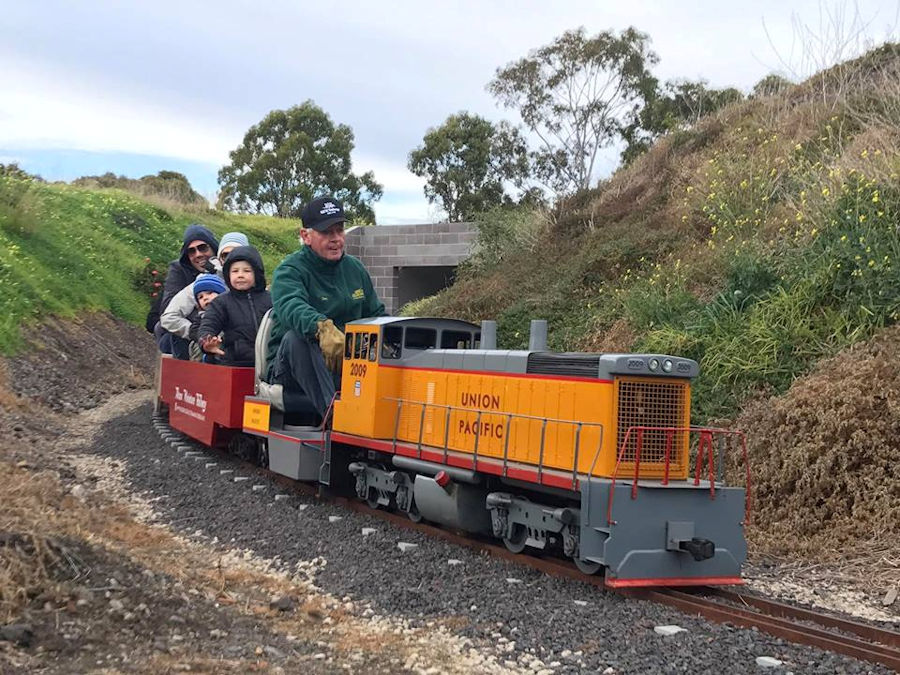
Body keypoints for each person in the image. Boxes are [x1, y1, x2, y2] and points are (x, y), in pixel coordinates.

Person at [266, 196, 385, 418]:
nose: (336, 239)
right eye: (327, 233)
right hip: (291, 371)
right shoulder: (289, 271)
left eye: (339, 231)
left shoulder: (355, 269)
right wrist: (321, 328)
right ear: (305, 236)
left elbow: (375, 314)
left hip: (346, 365)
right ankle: (336, 418)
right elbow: (290, 305)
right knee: (297, 339)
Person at [198, 246, 272, 367]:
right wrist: (207, 342)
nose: (240, 275)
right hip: (234, 363)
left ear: (257, 274)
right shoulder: (222, 302)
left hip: (268, 362)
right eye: (235, 271)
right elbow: (208, 324)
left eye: (247, 271)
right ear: (228, 274)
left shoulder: (271, 299)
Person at [160, 273, 227, 360]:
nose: (205, 298)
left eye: (209, 293)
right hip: (206, 352)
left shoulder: (231, 311)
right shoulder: (201, 317)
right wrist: (202, 337)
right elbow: (169, 319)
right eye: (200, 297)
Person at [160, 224, 220, 313]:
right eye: (191, 251)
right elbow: (168, 308)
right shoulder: (178, 269)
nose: (198, 254)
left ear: (213, 248)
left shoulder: (226, 269)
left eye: (202, 248)